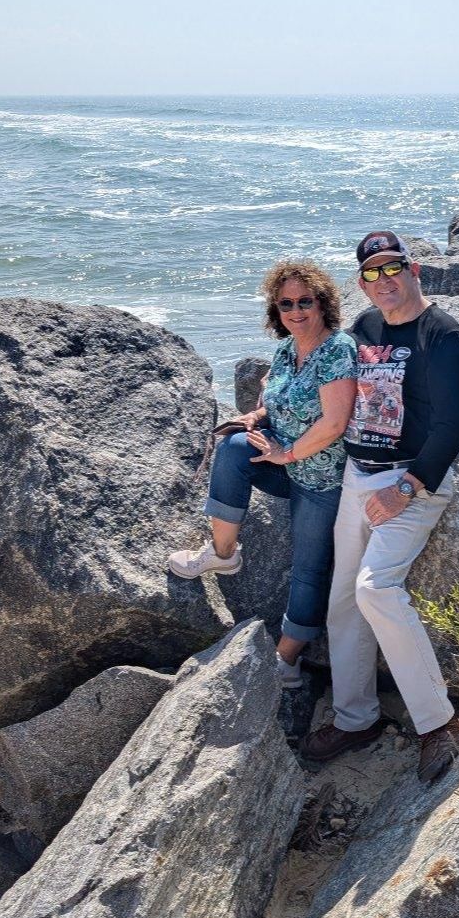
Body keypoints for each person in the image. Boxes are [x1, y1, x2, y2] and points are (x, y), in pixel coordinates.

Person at [300, 231, 459, 783]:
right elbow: (330, 385)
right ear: (362, 284)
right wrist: (262, 413)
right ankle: (356, 719)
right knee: (342, 601)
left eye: (393, 267)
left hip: (411, 483)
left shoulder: (444, 336)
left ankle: (439, 722)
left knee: (376, 588)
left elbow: (451, 427)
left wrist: (406, 488)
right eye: (373, 273)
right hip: (358, 476)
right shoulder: (365, 329)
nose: (385, 280)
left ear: (413, 269)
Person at [167, 261, 357, 687]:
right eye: (286, 303)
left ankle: (286, 659)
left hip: (323, 477)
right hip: (284, 462)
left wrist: (285, 453)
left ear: (322, 303)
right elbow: (279, 399)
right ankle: (223, 554)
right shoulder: (288, 349)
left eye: (305, 301)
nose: (296, 310)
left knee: (309, 567)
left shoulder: (337, 350)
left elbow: (334, 423)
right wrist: (255, 416)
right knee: (234, 447)